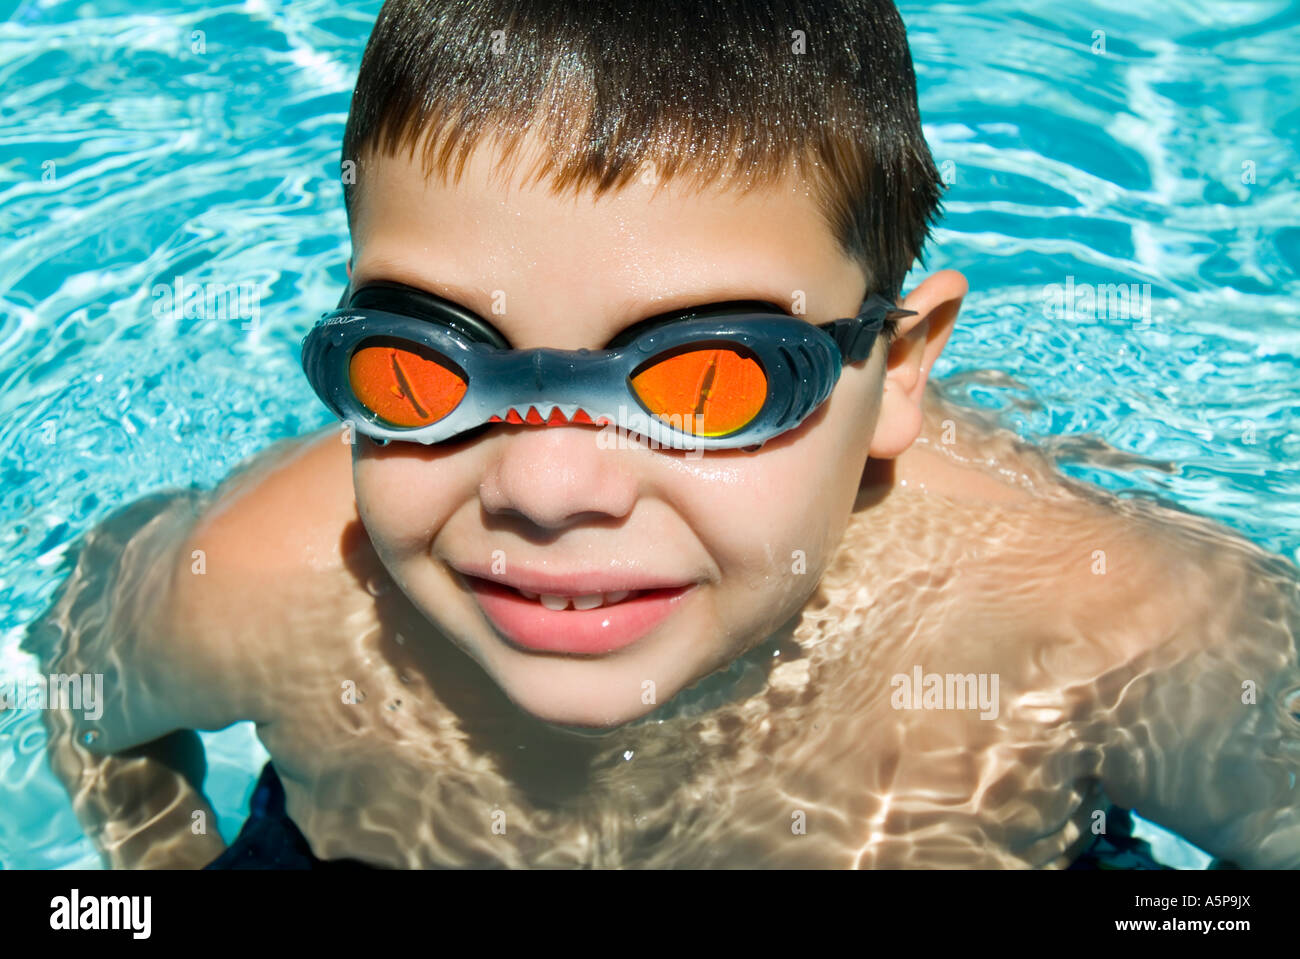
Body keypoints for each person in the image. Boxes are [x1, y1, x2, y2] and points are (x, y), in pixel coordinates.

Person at [25, 0, 1300, 869]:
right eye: (423, 362)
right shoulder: (259, 588)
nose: (543, 482)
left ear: (897, 368)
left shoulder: (1108, 634)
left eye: (710, 377)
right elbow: (82, 691)